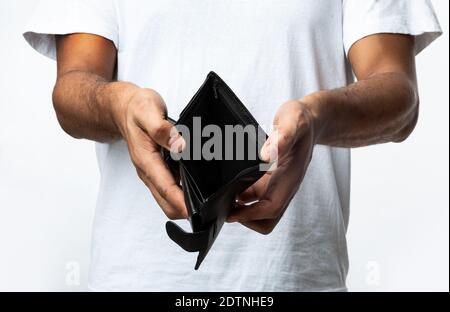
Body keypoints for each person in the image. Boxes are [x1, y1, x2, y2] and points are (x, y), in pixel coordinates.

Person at [24, 0, 441, 291]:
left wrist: (316, 119)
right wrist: (120, 105)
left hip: (297, 279)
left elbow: (398, 96)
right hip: (136, 278)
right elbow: (73, 89)